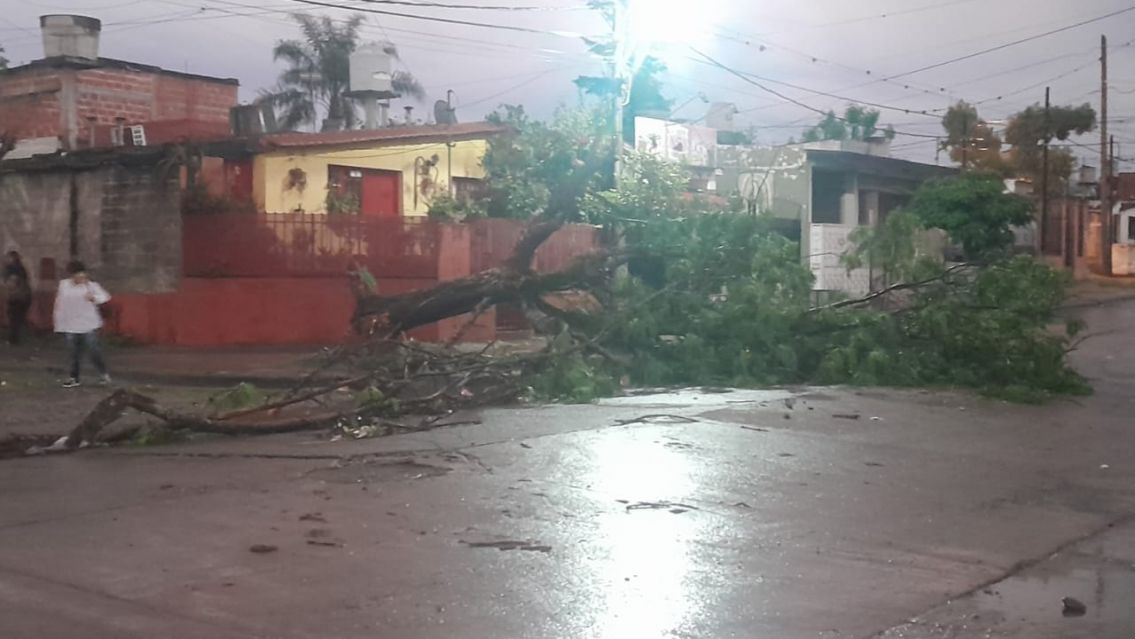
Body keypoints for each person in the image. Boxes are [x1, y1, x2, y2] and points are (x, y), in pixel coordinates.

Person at [53, 261, 111, 388]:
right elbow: (60, 303)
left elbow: (105, 296)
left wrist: (94, 297)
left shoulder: (90, 286)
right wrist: (58, 322)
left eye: (82, 276)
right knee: (73, 353)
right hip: (70, 325)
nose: (79, 278)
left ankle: (103, 374)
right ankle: (74, 377)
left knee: (93, 350)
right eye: (76, 276)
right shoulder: (64, 285)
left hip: (88, 324)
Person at [3, 251, 32, 346]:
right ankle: (19, 337)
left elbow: (13, 283)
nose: (6, 259)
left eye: (8, 258)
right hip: (22, 296)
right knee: (18, 318)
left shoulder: (14, 269)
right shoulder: (19, 268)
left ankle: (13, 339)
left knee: (14, 318)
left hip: (18, 297)